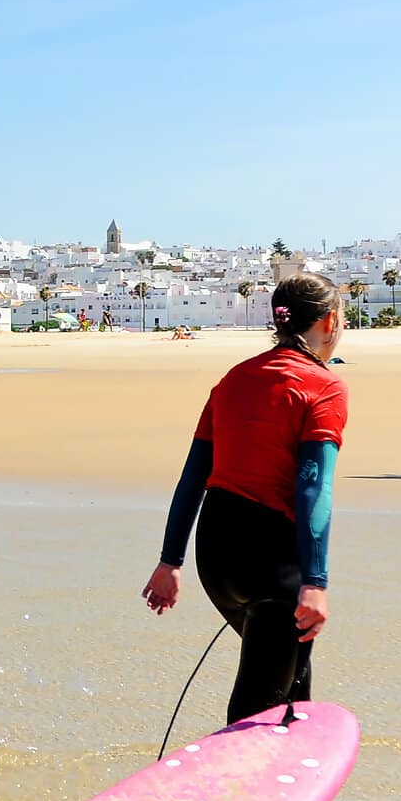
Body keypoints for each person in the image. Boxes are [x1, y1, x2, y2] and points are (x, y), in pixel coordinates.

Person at [142, 274, 349, 725]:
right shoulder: (323, 386)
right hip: (272, 566)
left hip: (216, 558)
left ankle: (294, 780)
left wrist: (169, 561)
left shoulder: (233, 380)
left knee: (291, 682)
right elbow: (314, 485)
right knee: (256, 712)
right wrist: (315, 581)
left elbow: (192, 477)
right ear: (330, 321)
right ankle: (227, 789)